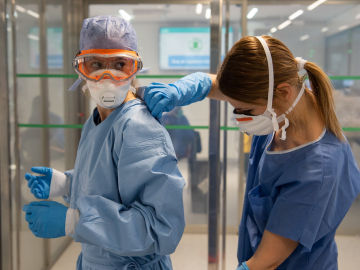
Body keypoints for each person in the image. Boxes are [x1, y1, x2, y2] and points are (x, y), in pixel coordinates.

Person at [140, 36, 360, 269]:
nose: (240, 118)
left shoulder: (318, 170)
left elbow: (265, 262)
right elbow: (215, 85)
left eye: (246, 110)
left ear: (282, 92)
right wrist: (180, 91)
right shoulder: (282, 107)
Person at [22, 15, 185, 270]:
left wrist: (75, 221)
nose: (107, 77)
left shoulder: (139, 128)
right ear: (80, 68)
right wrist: (67, 183)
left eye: (120, 64)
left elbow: (162, 229)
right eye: (95, 64)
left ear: (135, 69)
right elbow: (112, 186)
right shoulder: (100, 117)